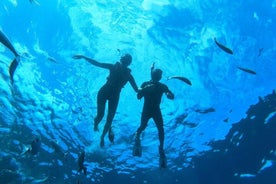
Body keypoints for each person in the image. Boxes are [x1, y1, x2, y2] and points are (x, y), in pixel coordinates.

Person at [73, 54, 139, 147]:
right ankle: (97, 128)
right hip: (107, 93)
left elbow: (97, 63)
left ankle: (102, 136)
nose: (122, 60)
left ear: (124, 61)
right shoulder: (119, 70)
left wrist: (84, 57)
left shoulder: (125, 74)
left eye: (123, 59)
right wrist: (84, 57)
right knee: (104, 117)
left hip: (110, 94)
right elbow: (137, 90)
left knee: (107, 118)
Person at [133, 63, 174, 168]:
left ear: (160, 77)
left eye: (159, 76)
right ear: (155, 76)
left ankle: (161, 148)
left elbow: (171, 95)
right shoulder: (146, 83)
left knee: (160, 129)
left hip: (155, 111)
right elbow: (138, 96)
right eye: (157, 75)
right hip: (147, 110)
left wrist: (169, 94)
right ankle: (137, 136)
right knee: (144, 126)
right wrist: (146, 88)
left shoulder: (162, 86)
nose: (159, 77)